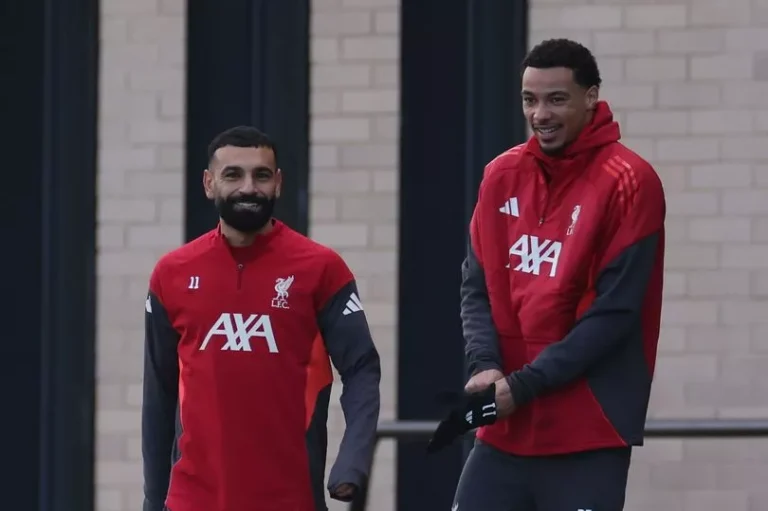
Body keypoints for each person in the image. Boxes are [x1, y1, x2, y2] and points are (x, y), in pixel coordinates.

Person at [427, 38, 666, 511]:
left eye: (556, 99)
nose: (540, 114)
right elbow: (476, 286)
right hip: (504, 431)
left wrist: (521, 387)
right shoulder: (501, 174)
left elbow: (614, 316)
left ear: (591, 98)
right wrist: (484, 365)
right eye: (529, 100)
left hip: (587, 434)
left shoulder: (631, 181)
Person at [141, 126, 381, 511]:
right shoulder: (171, 274)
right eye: (233, 175)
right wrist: (154, 502)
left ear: (279, 183)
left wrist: (352, 461)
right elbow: (159, 395)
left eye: (261, 175)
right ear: (208, 183)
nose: (249, 188)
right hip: (192, 502)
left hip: (290, 500)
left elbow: (363, 369)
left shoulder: (321, 270)